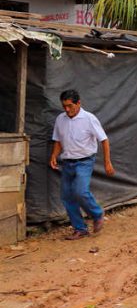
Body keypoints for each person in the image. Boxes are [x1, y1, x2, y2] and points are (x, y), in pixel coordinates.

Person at [49, 89, 114, 240]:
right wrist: (54, 155)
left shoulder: (89, 119)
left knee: (80, 191)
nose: (67, 109)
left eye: (70, 106)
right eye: (64, 106)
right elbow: (58, 140)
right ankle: (80, 229)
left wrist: (107, 162)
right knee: (66, 196)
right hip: (67, 162)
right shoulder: (60, 119)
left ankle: (97, 214)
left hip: (84, 161)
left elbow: (104, 140)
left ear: (79, 103)